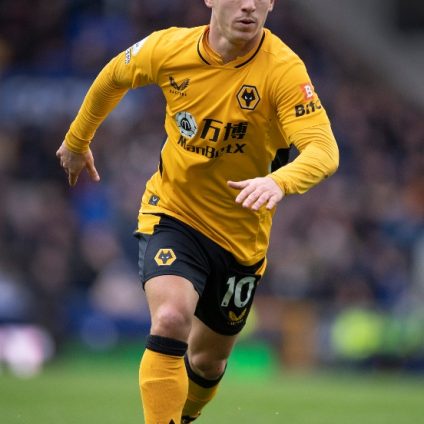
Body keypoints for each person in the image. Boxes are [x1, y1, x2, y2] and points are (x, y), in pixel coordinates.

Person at [56, 0, 339, 422]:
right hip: (174, 214)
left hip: (240, 239)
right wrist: (78, 140)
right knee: (171, 318)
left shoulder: (283, 69)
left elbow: (324, 149)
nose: (248, 6)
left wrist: (278, 181)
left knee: (208, 361)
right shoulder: (169, 48)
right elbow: (115, 74)